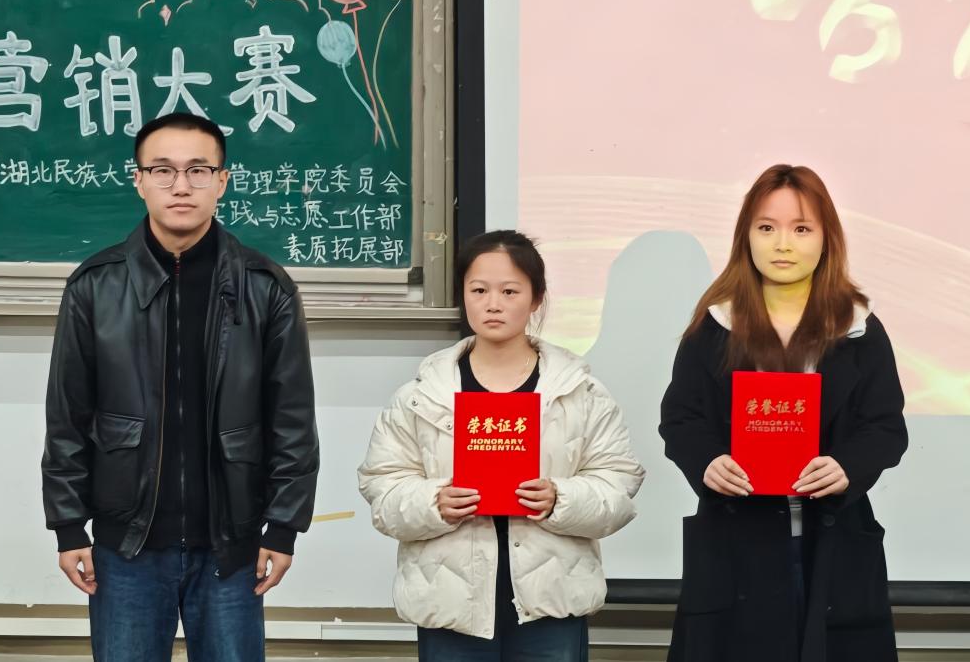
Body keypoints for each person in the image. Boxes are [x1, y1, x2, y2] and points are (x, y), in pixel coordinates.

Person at [41, 112, 320, 662]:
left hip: (231, 547)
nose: (181, 186)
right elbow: (67, 417)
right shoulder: (95, 286)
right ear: (139, 180)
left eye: (198, 170)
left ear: (223, 180)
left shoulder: (266, 287)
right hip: (126, 546)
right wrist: (68, 526)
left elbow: (291, 418)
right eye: (163, 170)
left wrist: (283, 527)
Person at [358, 229, 645, 661]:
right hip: (450, 604)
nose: (493, 304)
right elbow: (382, 488)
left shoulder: (580, 393)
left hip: (552, 603)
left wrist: (560, 499)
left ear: (536, 298)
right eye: (479, 290)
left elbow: (618, 486)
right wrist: (434, 502)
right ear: (464, 295)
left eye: (510, 291)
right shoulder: (421, 395)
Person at [660, 164, 908, 662]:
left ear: (826, 238)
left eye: (801, 229)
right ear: (746, 237)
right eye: (767, 228)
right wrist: (708, 460)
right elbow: (681, 419)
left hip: (833, 542)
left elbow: (885, 426)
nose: (783, 244)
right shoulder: (715, 324)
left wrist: (848, 465)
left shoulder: (859, 327)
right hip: (737, 543)